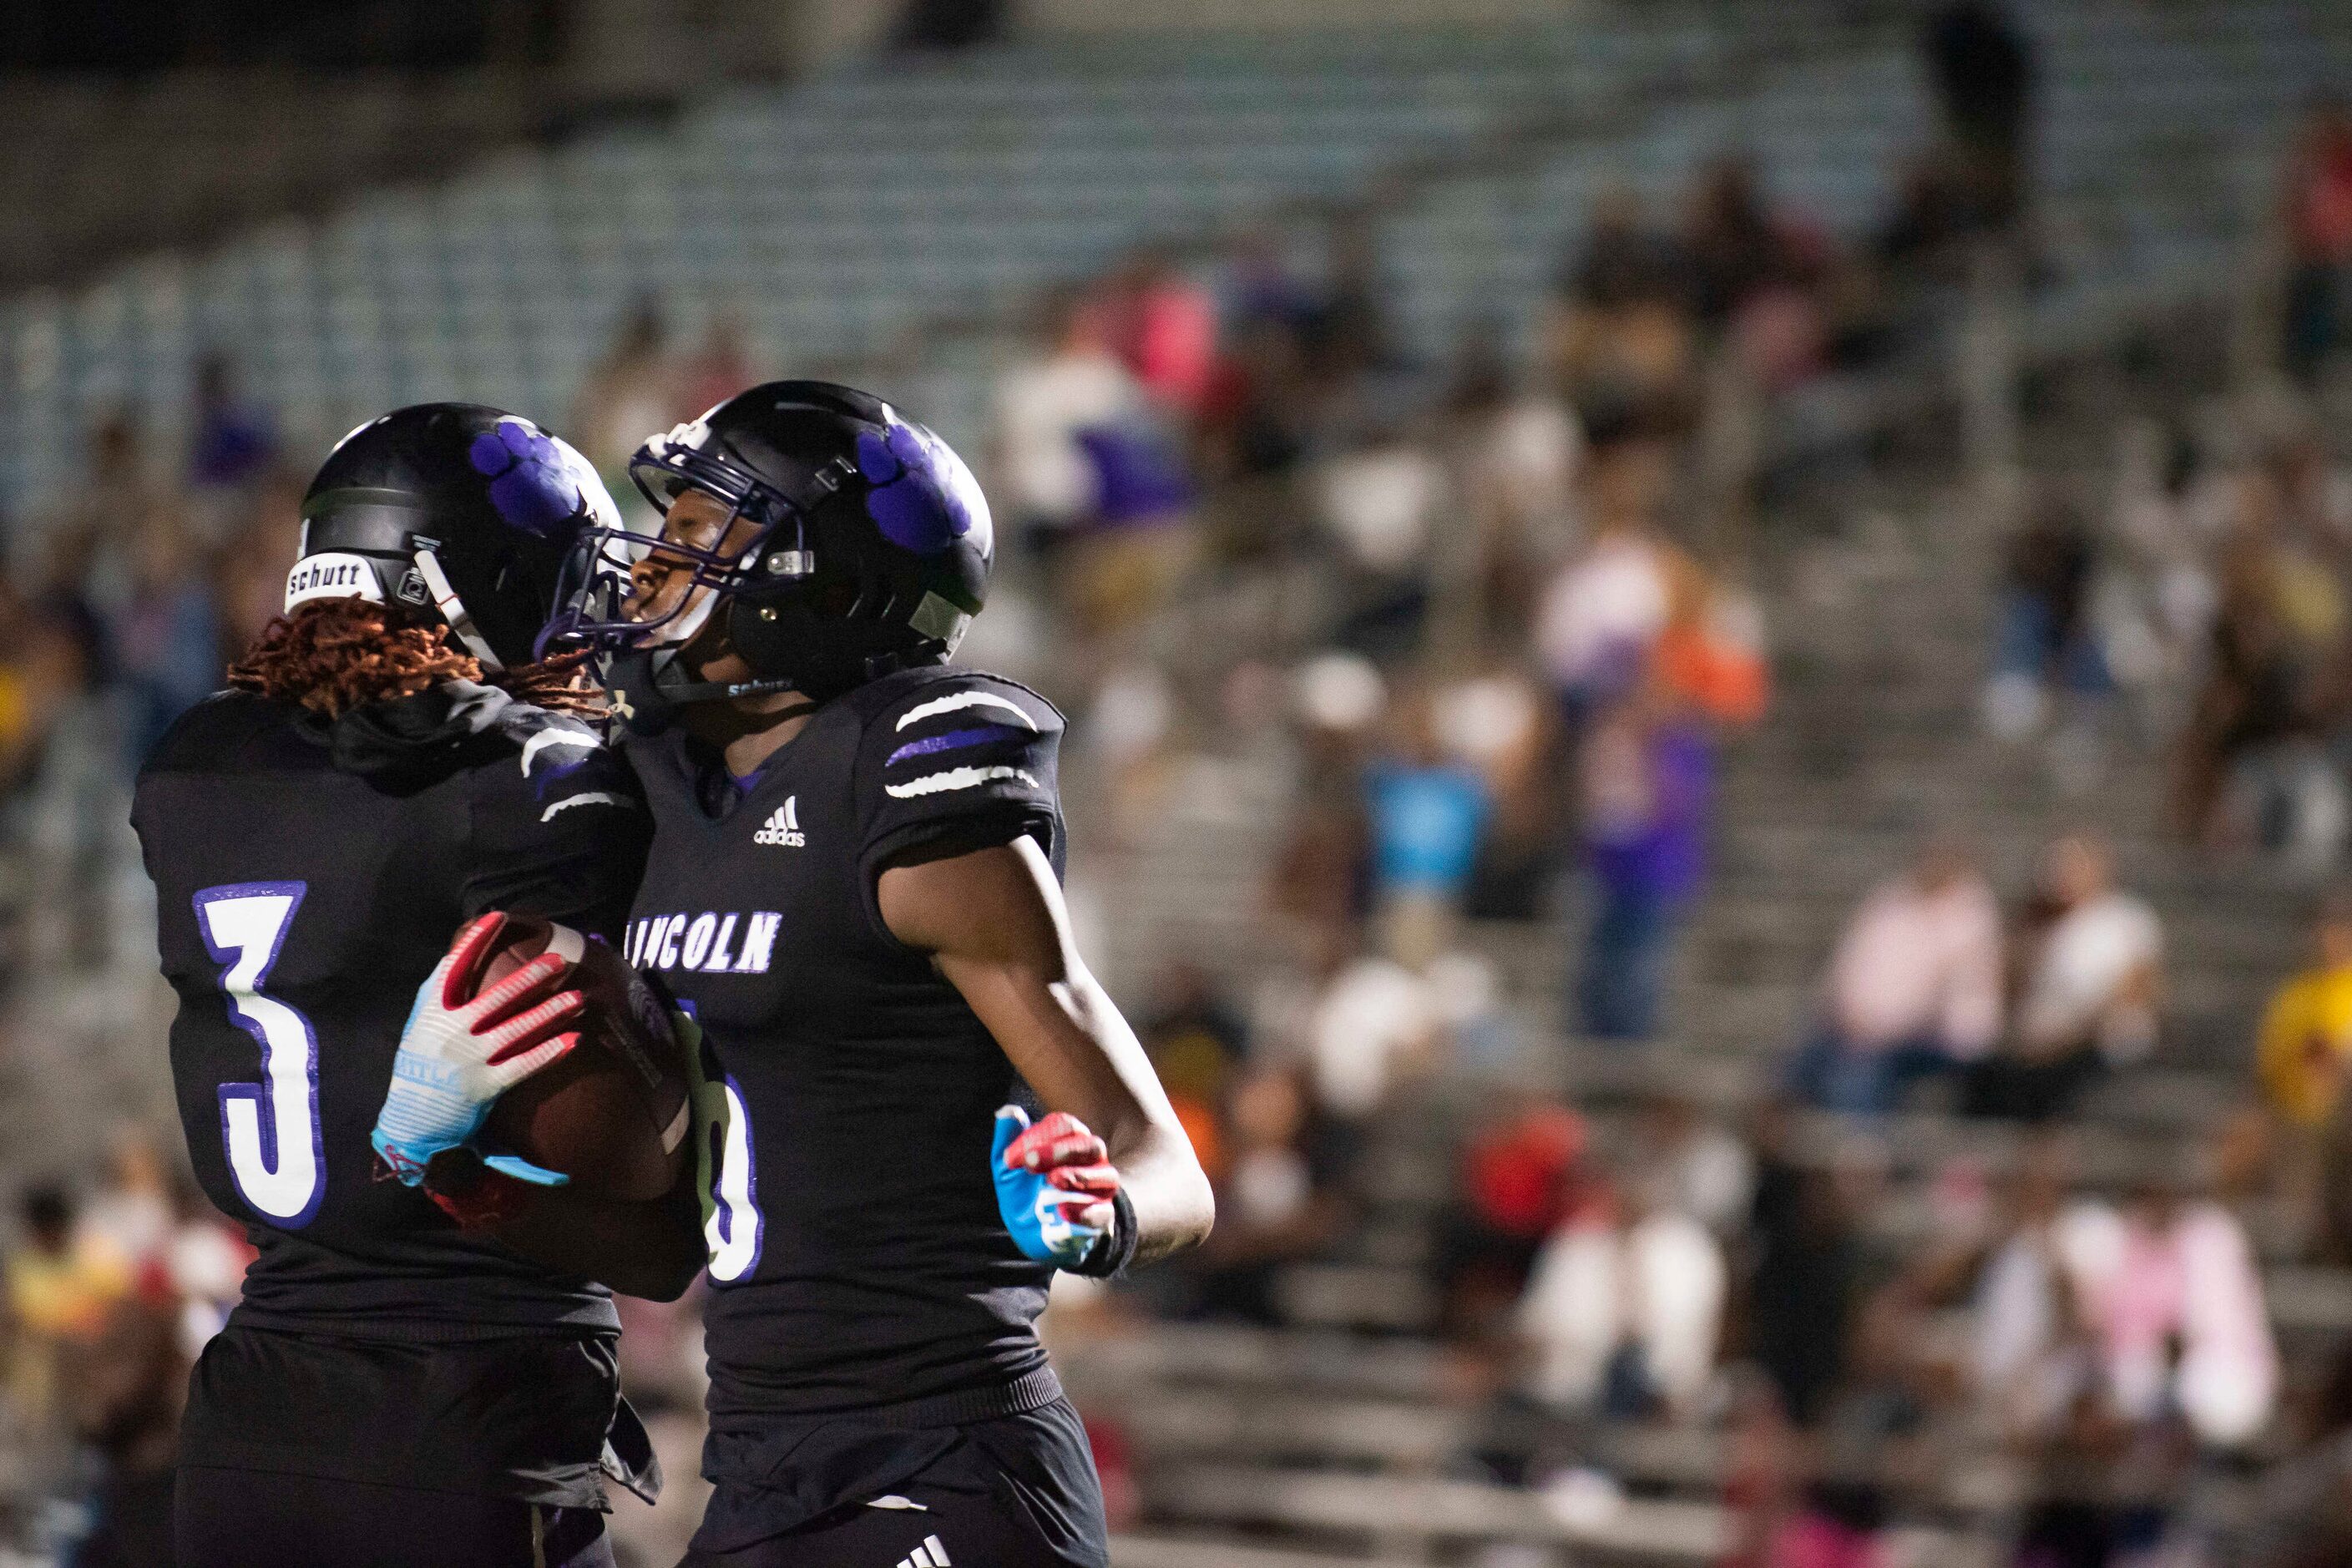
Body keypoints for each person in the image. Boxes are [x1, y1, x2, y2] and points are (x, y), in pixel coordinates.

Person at [545, 381, 1213, 1566]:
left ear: (826, 586)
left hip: (945, 1454)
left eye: (698, 533)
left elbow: (1165, 1161)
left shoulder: (903, 794)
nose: (650, 567)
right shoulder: (661, 788)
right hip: (756, 1458)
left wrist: (1099, 1207)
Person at [132, 405, 706, 1568]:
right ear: (467, 584)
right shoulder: (529, 784)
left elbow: (376, 757)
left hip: (249, 1422)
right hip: (461, 1408)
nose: (582, 624)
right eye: (557, 586)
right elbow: (652, 1238)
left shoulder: (193, 762)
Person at [1784, 839, 2003, 1115]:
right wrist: (1847, 1012)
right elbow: (1849, 963)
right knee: (1799, 1063)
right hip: (1862, 1026)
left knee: (1860, 1070)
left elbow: (1936, 995)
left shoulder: (1971, 918)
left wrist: (1877, 1027)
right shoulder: (1890, 903)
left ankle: (1860, 1144)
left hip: (1938, 1038)